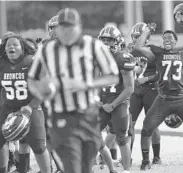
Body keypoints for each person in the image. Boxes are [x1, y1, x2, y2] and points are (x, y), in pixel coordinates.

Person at [27, 8, 119, 173]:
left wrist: (85, 83)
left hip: (88, 114)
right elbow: (32, 80)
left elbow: (113, 77)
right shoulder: (47, 49)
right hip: (60, 115)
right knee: (71, 165)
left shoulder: (94, 46)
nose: (66, 31)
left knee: (86, 165)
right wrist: (44, 89)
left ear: (79, 27)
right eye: (62, 27)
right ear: (56, 29)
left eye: (70, 27)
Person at [134, 20, 183, 170]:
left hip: (181, 97)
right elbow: (137, 47)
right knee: (146, 130)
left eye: (170, 38)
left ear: (175, 41)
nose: (167, 40)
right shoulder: (157, 52)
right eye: (164, 38)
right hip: (163, 98)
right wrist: (147, 30)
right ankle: (145, 161)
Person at [0, 35, 51, 173]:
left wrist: (30, 106)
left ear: (22, 48)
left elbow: (45, 89)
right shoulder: (2, 63)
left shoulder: (32, 62)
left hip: (30, 107)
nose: (11, 47)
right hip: (7, 108)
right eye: (8, 45)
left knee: (39, 146)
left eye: (15, 45)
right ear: (4, 49)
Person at [98, 25, 135, 173]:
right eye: (104, 41)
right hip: (102, 102)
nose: (106, 44)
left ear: (118, 41)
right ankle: (109, 166)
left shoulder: (123, 58)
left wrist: (112, 105)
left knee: (121, 138)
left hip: (119, 103)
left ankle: (126, 170)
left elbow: (129, 88)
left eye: (110, 40)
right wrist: (101, 103)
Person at [128, 22, 161, 165]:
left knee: (152, 125)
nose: (136, 39)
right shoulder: (130, 51)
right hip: (135, 92)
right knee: (129, 125)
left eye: (138, 36)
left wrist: (146, 78)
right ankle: (127, 156)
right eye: (134, 37)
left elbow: (160, 74)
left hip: (151, 90)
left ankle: (157, 156)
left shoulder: (153, 51)